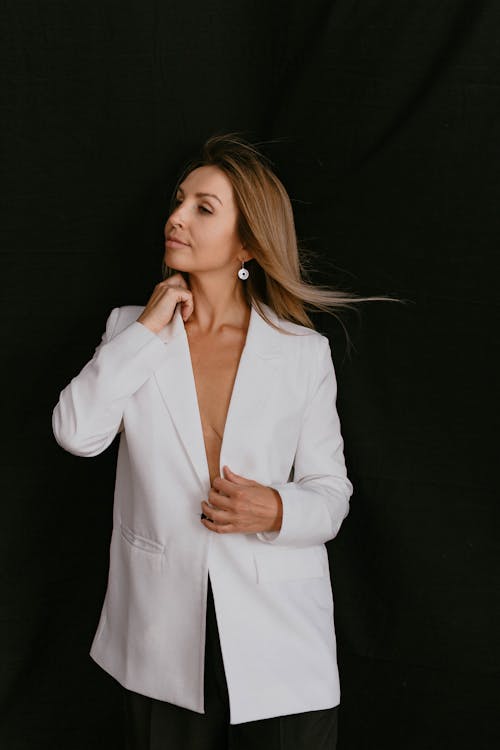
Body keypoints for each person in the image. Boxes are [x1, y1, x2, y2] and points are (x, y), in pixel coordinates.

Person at [52, 132, 395, 749]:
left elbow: (332, 493)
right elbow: (77, 434)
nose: (176, 217)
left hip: (279, 638)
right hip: (160, 637)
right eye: (179, 201)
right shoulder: (130, 330)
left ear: (248, 244)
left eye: (203, 208)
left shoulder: (301, 353)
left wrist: (278, 508)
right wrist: (149, 329)